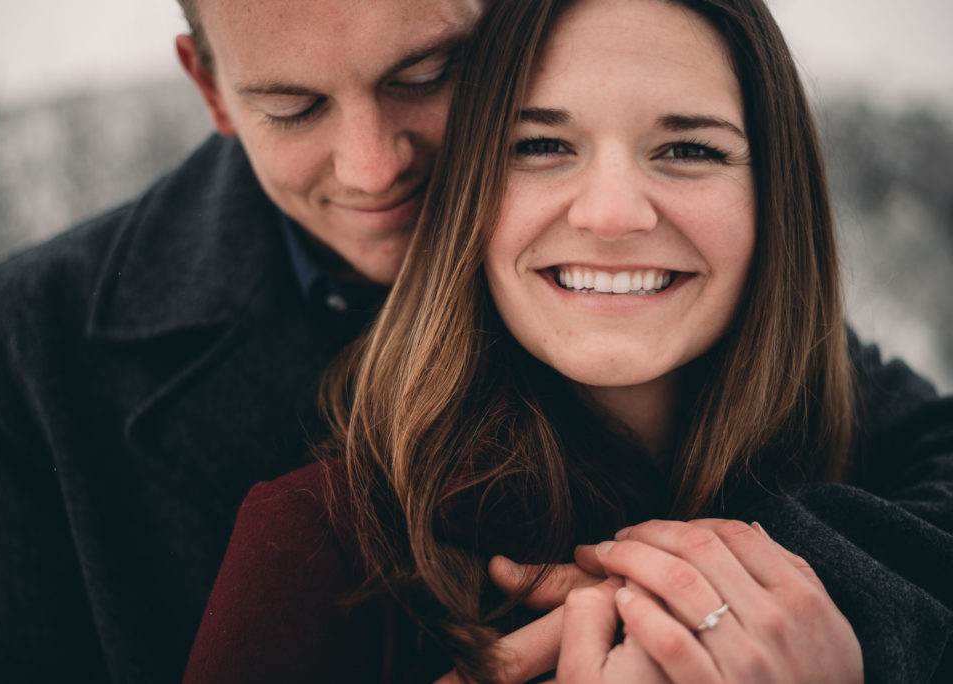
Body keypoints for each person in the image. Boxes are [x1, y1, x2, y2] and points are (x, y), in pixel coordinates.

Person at [183, 0, 953, 682]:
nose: (611, 215)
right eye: (541, 146)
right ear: (466, 197)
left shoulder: (877, 455)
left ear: (777, 200)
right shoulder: (319, 545)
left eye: (690, 150)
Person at [0, 1, 484, 682]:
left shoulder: (632, 252)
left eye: (427, 75)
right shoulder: (41, 337)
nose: (372, 167)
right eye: (293, 107)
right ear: (211, 89)